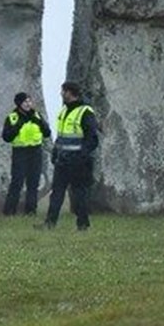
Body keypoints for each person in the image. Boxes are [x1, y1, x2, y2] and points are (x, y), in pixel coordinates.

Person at [40, 81, 99, 231]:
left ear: (70, 92)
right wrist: (55, 152)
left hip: (79, 162)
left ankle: (83, 224)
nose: (61, 94)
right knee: (57, 193)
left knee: (79, 194)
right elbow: (60, 136)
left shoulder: (85, 112)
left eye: (63, 91)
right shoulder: (63, 111)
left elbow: (92, 138)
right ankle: (49, 223)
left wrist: (82, 156)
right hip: (63, 160)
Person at [1, 92, 51, 216]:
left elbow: (47, 133)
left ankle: (30, 211)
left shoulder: (37, 116)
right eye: (25, 102)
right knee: (17, 182)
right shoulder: (12, 117)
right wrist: (18, 125)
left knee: (33, 183)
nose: (28, 104)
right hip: (20, 152)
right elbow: (6, 137)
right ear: (19, 104)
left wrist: (39, 122)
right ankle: (9, 211)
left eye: (29, 101)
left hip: (36, 151)